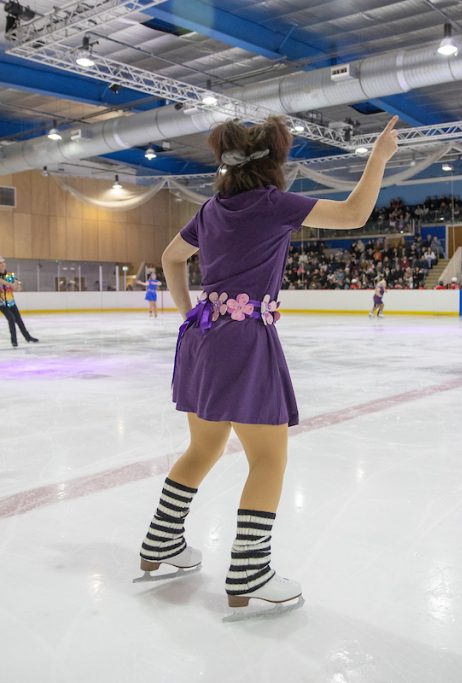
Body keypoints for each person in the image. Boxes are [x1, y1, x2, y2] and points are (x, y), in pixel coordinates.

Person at [138, 114, 399, 609]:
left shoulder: (212, 209)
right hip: (244, 340)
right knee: (268, 458)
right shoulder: (273, 204)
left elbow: (171, 258)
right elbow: (354, 214)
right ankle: (250, 573)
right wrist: (378, 158)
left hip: (203, 337)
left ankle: (160, 541)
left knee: (203, 449)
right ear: (275, 162)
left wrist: (191, 313)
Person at [0, 256, 39, 347]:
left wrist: (18, 286)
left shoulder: (10, 275)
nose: (2, 264)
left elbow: (17, 287)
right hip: (1, 303)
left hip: (11, 302)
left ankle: (28, 337)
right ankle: (14, 340)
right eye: (0, 263)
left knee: (19, 320)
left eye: (3, 262)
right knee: (11, 319)